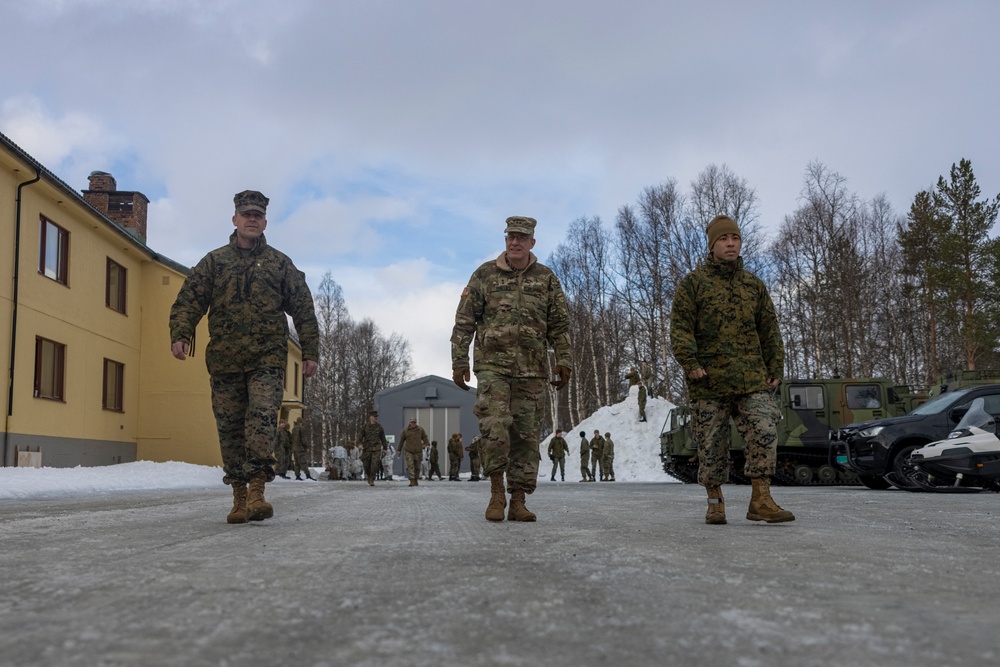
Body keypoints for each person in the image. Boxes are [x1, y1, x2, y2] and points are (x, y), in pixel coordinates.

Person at [169, 189, 319, 524]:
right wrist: (181, 334)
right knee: (230, 429)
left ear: (265, 221)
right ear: (235, 219)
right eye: (246, 214)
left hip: (267, 359)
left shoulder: (280, 264)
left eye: (257, 215)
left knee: (262, 422)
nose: (252, 220)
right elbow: (189, 301)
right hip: (224, 361)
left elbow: (304, 310)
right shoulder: (214, 262)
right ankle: (238, 496)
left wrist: (310, 352)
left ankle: (257, 492)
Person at [670, 214, 794, 526]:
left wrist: (775, 366)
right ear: (712, 245)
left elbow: (770, 330)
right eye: (724, 239)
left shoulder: (753, 285)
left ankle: (761, 500)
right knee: (711, 446)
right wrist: (691, 363)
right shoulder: (694, 284)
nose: (730, 244)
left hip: (752, 378)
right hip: (708, 381)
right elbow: (681, 328)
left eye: (735, 239)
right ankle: (715, 502)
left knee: (764, 430)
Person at [451, 216, 573, 522]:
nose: (515, 242)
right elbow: (464, 321)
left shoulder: (545, 278)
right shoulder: (485, 275)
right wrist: (459, 360)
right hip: (493, 367)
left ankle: (518, 499)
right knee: (494, 427)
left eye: (521, 237)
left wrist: (564, 360)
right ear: (505, 240)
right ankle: (496, 494)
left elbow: (559, 325)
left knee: (526, 436)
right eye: (510, 237)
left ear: (532, 242)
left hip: (532, 371)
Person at [359, 411, 388, 486]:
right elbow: (360, 436)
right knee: (366, 465)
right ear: (370, 417)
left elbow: (383, 438)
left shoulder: (379, 427)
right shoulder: (365, 426)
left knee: (374, 465)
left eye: (376, 417)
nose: (376, 418)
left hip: (376, 448)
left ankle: (372, 479)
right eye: (374, 417)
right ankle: (369, 476)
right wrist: (360, 444)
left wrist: (385, 448)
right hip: (367, 448)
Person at [398, 418, 429, 487]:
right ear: (410, 423)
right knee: (410, 466)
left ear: (416, 422)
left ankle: (416, 480)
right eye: (412, 422)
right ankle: (411, 480)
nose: (413, 424)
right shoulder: (405, 431)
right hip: (409, 451)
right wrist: (399, 450)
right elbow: (401, 441)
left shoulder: (420, 430)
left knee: (417, 467)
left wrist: (426, 443)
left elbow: (425, 437)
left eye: (414, 422)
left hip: (418, 451)